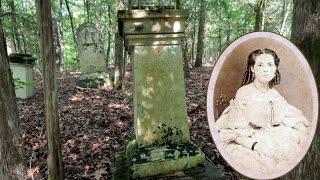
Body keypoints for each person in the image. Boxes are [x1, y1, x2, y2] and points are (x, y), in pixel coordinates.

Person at [215, 49, 310, 173]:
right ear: (252, 68)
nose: (266, 70)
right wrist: (256, 146)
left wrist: (302, 129)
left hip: (277, 136)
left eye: (270, 65)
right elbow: (234, 130)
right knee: (265, 166)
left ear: (275, 69)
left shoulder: (275, 94)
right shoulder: (244, 93)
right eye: (260, 65)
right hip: (251, 141)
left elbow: (289, 115)